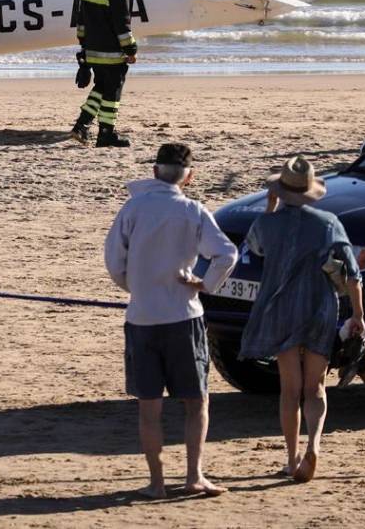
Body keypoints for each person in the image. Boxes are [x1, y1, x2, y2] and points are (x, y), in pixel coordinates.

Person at [105, 143, 238, 498]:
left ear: (154, 172)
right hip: (183, 314)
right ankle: (193, 475)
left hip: (143, 315)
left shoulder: (133, 208)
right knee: (196, 402)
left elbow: (114, 262)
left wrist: (138, 286)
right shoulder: (192, 210)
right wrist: (205, 284)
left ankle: (157, 482)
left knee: (149, 407)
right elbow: (227, 254)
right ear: (189, 177)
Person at [238, 155, 365, 484]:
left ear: (280, 191)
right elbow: (353, 273)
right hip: (319, 306)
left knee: (289, 390)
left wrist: (269, 209)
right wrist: (358, 315)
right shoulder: (327, 222)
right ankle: (315, 445)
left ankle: (292, 458)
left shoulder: (268, 222)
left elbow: (255, 248)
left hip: (281, 309)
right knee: (315, 387)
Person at [71, 0, 140, 148]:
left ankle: (81, 125)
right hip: (111, 51)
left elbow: (80, 17)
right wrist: (130, 48)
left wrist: (83, 44)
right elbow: (122, 23)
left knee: (101, 86)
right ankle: (106, 133)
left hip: (91, 48)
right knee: (113, 91)